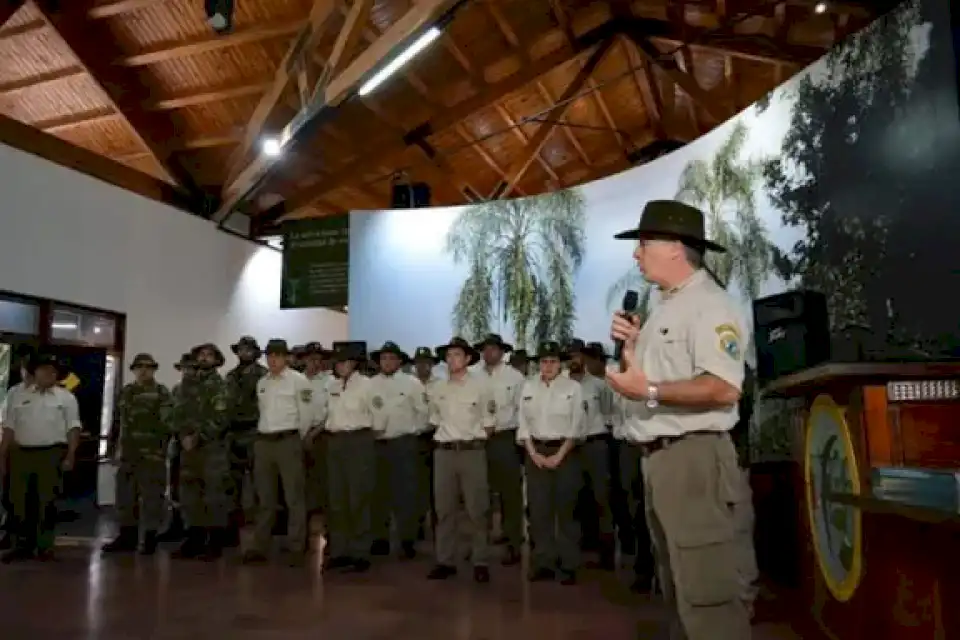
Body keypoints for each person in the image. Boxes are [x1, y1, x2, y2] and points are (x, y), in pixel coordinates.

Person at [606, 199, 752, 640]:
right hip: (662, 462)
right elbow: (657, 378)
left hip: (694, 461)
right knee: (679, 590)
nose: (636, 254)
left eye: (644, 243)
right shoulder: (665, 306)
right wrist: (632, 350)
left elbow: (724, 387)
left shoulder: (710, 304)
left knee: (709, 597)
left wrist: (647, 391)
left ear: (674, 247)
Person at [0, 350, 80, 563]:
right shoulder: (17, 394)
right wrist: (2, 454)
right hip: (21, 454)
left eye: (53, 371)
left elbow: (73, 428)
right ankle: (21, 545)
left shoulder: (66, 397)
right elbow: (8, 426)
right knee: (19, 501)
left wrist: (71, 454)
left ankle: (44, 546)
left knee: (46, 501)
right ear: (35, 373)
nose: (50, 374)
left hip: (50, 453)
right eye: (45, 370)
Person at [242, 339, 316, 566]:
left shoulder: (298, 381)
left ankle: (296, 546)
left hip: (287, 440)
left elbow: (306, 414)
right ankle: (260, 544)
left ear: (286, 358)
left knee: (294, 496)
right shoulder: (263, 382)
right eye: (270, 356)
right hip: (264, 441)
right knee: (264, 497)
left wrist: (297, 438)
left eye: (277, 356)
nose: (272, 360)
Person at [427, 337, 494, 583]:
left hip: (471, 452)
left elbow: (489, 424)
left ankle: (480, 560)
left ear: (467, 359)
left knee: (478, 508)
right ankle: (445, 560)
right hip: (443, 452)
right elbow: (434, 420)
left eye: (457, 355)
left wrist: (471, 442)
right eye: (449, 355)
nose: (451, 359)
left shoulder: (480, 387)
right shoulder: (437, 388)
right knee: (444, 510)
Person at [517, 341, 585, 584]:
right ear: (539, 364)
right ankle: (543, 562)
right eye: (544, 361)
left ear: (560, 364)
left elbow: (577, 425)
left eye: (553, 361)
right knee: (539, 511)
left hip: (564, 453)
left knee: (566, 510)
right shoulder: (527, 387)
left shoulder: (573, 388)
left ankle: (568, 564)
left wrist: (559, 455)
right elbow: (523, 424)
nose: (548, 366)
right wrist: (533, 453)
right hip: (535, 451)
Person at [102, 353, 174, 555]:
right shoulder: (126, 392)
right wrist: (112, 447)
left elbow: (168, 424)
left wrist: (161, 450)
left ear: (153, 370)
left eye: (148, 367)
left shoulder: (161, 393)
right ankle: (127, 537)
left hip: (151, 455)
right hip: (128, 454)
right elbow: (117, 422)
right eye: (139, 367)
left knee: (152, 498)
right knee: (125, 497)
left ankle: (150, 538)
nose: (143, 370)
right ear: (133, 370)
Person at [172, 342, 231, 560]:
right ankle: (194, 538)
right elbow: (178, 413)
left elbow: (221, 418)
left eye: (209, 355)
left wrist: (199, 436)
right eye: (201, 355)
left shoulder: (220, 386)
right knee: (190, 494)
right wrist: (182, 435)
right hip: (188, 448)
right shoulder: (188, 385)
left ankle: (215, 542)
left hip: (212, 448)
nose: (204, 358)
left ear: (217, 360)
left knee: (214, 495)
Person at [368, 341, 427, 559]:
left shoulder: (412, 383)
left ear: (400, 361)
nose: (388, 362)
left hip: (404, 444)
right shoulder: (370, 384)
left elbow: (423, 413)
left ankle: (407, 539)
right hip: (378, 445)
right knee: (378, 494)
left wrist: (413, 433)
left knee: (406, 494)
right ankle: (380, 539)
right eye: (384, 358)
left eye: (392, 358)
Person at [323, 341, 376, 573]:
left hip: (358, 441)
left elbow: (378, 416)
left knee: (358, 496)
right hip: (334, 442)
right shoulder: (332, 386)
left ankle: (360, 551)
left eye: (343, 361)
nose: (339, 366)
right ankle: (339, 550)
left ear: (353, 363)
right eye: (337, 362)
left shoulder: (367, 386)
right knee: (336, 498)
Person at [473, 333, 525, 566]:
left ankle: (513, 543)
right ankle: (478, 546)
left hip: (504, 438)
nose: (489, 353)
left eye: (493, 349)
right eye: (485, 349)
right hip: (477, 439)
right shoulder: (472, 374)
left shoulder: (515, 377)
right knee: (477, 494)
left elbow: (522, 411)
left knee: (509, 494)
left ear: (502, 352)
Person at [567, 338, 617, 570]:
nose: (574, 360)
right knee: (575, 498)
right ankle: (578, 548)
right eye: (570, 356)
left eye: (578, 355)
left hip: (596, 444)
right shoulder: (561, 386)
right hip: (570, 447)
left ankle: (606, 551)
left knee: (601, 497)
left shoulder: (598, 385)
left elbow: (609, 414)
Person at [225, 336, 267, 545]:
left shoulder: (263, 376)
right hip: (233, 434)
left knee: (260, 484)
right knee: (232, 484)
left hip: (254, 432)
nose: (244, 353)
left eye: (248, 350)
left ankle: (261, 531)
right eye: (241, 350)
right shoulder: (231, 377)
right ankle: (232, 528)